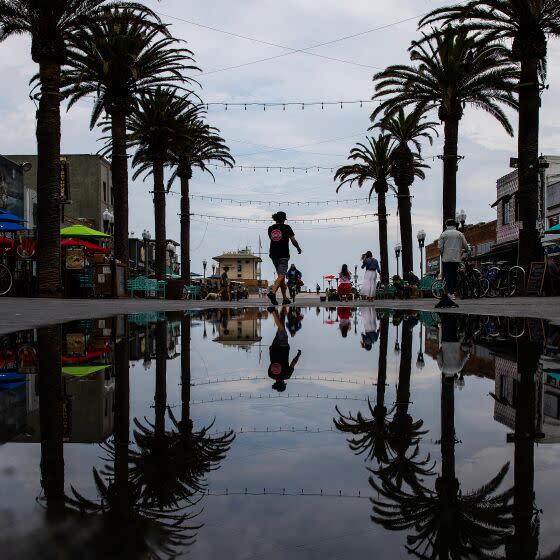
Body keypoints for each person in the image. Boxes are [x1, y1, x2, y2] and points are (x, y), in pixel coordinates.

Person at [267, 211, 302, 306]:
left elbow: (274, 240)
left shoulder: (270, 228)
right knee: (282, 275)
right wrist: (298, 248)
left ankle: (285, 298)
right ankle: (272, 293)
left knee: (281, 277)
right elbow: (293, 240)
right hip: (283, 255)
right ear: (283, 219)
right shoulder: (287, 227)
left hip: (273, 255)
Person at [268, 307, 302, 392]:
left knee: (282, 329)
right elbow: (272, 363)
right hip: (273, 349)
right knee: (280, 328)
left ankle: (273, 312)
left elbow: (293, 363)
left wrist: (298, 355)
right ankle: (281, 311)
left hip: (283, 348)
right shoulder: (270, 375)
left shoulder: (287, 376)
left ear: (283, 383)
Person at [438, 219, 469, 300]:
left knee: (448, 276)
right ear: (455, 225)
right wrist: (468, 250)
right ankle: (453, 292)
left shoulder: (443, 234)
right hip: (456, 258)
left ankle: (451, 293)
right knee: (454, 274)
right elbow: (465, 245)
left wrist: (442, 253)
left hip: (446, 259)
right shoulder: (460, 234)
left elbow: (440, 247)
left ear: (446, 225)